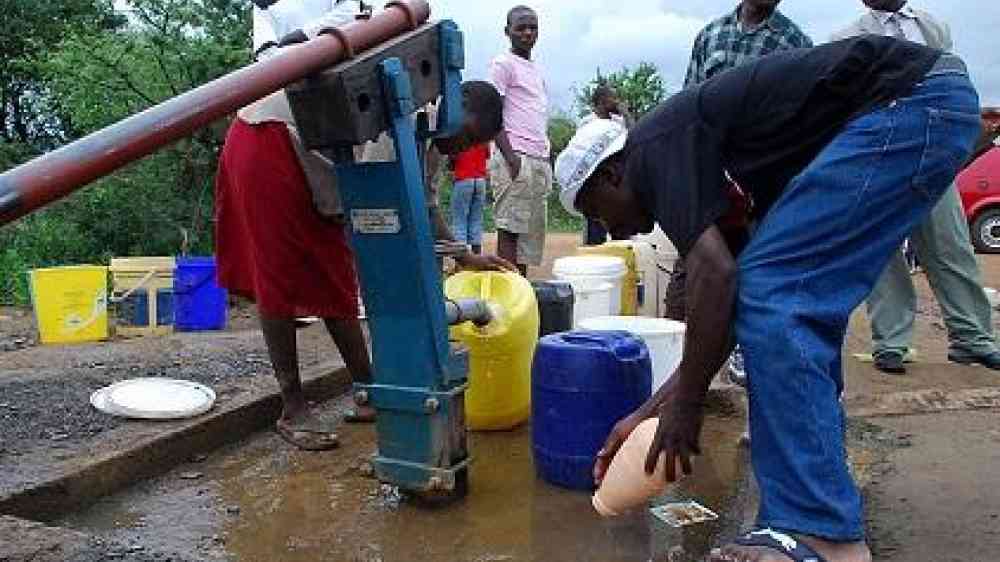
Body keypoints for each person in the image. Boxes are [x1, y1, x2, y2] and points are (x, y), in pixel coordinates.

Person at [555, 35, 979, 561]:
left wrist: (687, 407)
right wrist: (647, 413)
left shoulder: (654, 149)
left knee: (781, 298)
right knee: (777, 295)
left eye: (597, 208)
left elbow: (718, 278)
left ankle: (819, 529)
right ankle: (815, 505)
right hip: (919, 103)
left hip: (908, 103)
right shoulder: (701, 165)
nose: (609, 226)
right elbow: (730, 302)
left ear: (613, 173)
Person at [216, 0, 511, 451]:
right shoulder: (410, 109)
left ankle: (370, 390)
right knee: (278, 276)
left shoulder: (431, 131)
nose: (460, 147)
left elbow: (423, 204)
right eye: (467, 136)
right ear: (456, 104)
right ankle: (293, 407)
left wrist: (464, 255)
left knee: (334, 275)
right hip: (268, 140)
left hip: (314, 159)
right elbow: (385, 211)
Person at [832, 0, 1000, 374]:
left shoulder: (933, 26)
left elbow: (952, 81)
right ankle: (891, 343)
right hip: (882, 153)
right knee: (884, 253)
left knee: (951, 244)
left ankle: (973, 338)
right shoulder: (845, 37)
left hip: (935, 149)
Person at [489, 5, 552, 276]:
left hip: (537, 158)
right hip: (515, 156)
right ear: (508, 32)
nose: (528, 32)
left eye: (533, 27)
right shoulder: (503, 64)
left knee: (528, 237)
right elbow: (492, 112)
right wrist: (511, 157)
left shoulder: (535, 69)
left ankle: (521, 295)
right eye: (521, 27)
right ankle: (510, 293)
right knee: (510, 229)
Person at [581, 84, 632, 245]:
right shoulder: (587, 122)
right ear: (602, 101)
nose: (617, 101)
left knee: (621, 224)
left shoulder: (619, 121)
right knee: (595, 225)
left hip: (615, 179)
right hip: (595, 180)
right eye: (613, 98)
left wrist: (625, 114)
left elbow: (635, 134)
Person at [449, 143, 490, 255]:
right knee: (476, 220)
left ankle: (461, 262)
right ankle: (477, 258)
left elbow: (452, 158)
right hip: (480, 180)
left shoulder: (459, 135)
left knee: (459, 221)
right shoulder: (483, 135)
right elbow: (487, 155)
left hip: (463, 179)